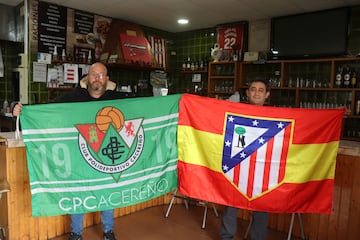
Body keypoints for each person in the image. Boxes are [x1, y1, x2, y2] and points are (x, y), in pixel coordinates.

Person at [13, 62, 119, 240]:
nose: (97, 78)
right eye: (94, 74)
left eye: (101, 75)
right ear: (88, 77)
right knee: (78, 193)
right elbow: (47, 110)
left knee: (107, 192)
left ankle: (109, 231)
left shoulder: (119, 99)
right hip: (78, 155)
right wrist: (24, 110)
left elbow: (144, 109)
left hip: (105, 156)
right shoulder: (72, 97)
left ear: (107, 79)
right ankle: (76, 233)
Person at [220, 78, 270, 240]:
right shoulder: (236, 111)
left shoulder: (275, 116)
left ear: (267, 95)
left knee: (261, 210)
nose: (256, 93)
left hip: (262, 169)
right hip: (237, 166)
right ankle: (226, 237)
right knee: (230, 208)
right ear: (247, 93)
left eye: (260, 90)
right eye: (253, 89)